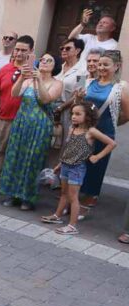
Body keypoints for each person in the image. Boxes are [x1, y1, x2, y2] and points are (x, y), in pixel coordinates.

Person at [0, 53, 63, 210]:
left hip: (40, 127)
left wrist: (39, 79)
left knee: (33, 160)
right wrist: (22, 76)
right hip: (21, 124)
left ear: (55, 66)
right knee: (16, 156)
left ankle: (27, 197)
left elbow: (46, 99)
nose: (44, 62)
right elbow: (14, 94)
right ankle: (12, 193)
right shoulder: (28, 81)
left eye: (49, 60)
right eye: (42, 59)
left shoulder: (57, 83)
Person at [41, 102, 116, 235]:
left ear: (87, 116)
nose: (73, 117)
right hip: (65, 165)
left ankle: (72, 225)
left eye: (78, 114)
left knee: (73, 197)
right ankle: (57, 216)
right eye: (72, 114)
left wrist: (97, 156)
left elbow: (111, 143)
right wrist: (60, 164)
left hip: (77, 168)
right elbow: (68, 148)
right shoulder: (72, 129)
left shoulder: (91, 131)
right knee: (64, 193)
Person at [0, 35, 33, 190]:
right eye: (17, 49)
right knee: (2, 149)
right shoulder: (5, 69)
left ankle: (12, 181)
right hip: (4, 117)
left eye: (24, 50)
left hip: (23, 119)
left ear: (31, 51)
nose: (19, 53)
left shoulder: (34, 72)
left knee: (19, 152)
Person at [78, 50, 129, 209]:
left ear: (117, 66)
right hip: (85, 131)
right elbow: (79, 106)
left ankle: (90, 198)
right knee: (79, 164)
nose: (101, 67)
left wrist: (111, 125)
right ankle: (74, 198)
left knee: (96, 166)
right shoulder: (88, 82)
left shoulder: (121, 87)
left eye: (105, 64)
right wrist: (78, 99)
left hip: (104, 133)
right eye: (99, 64)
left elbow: (127, 114)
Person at [54, 38, 87, 146]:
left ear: (77, 51)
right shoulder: (58, 66)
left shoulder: (82, 70)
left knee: (62, 143)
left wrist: (61, 107)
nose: (63, 50)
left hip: (67, 111)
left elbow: (79, 92)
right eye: (62, 48)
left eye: (68, 48)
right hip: (51, 109)